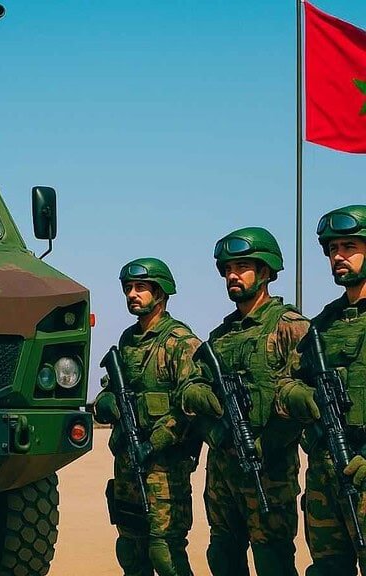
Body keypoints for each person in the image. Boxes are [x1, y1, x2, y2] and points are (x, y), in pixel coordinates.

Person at [92, 257, 220, 576]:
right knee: (130, 549)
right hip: (128, 464)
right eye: (128, 288)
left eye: (141, 288)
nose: (132, 294)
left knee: (165, 552)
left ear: (160, 293)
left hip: (165, 468)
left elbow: (190, 408)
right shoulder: (128, 341)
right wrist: (109, 404)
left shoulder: (180, 342)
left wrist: (154, 443)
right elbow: (109, 390)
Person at [202, 227, 310, 576]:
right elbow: (195, 393)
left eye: (242, 267)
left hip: (270, 474)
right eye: (228, 269)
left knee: (272, 559)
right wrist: (214, 431)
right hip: (223, 473)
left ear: (265, 272)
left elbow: (309, 400)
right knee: (223, 556)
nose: (233, 276)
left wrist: (267, 442)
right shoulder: (220, 337)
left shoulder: (290, 327)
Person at [286, 205, 366, 575]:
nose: (339, 256)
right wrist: (306, 398)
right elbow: (287, 384)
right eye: (333, 249)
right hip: (325, 473)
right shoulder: (321, 325)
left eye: (349, 247)